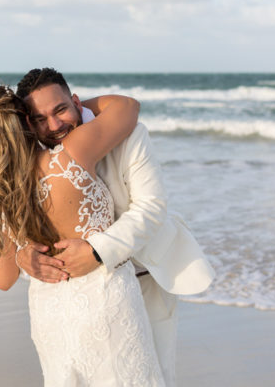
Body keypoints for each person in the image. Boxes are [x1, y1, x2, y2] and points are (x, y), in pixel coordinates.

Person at [15, 68, 215, 387]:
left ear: (76, 102)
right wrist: (23, 255)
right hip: (78, 294)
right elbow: (22, 222)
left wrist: (98, 251)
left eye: (61, 109)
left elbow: (152, 208)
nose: (54, 126)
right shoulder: (31, 155)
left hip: (143, 273)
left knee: (151, 377)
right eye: (40, 119)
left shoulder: (130, 132)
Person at [0, 85, 166, 386]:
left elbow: (3, 279)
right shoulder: (73, 152)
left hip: (50, 315)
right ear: (26, 122)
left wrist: (21, 253)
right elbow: (127, 106)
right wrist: (67, 106)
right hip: (107, 300)